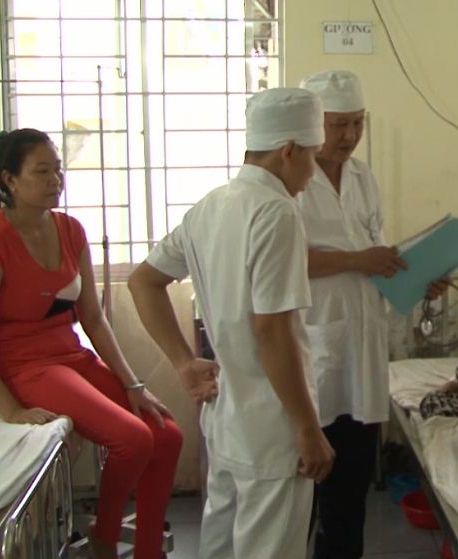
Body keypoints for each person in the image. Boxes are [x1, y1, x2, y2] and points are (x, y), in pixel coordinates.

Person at [0, 128, 182, 559]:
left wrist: (133, 383)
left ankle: (148, 548)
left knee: (167, 434)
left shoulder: (70, 230)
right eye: (42, 172)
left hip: (70, 355)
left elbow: (92, 317)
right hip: (24, 367)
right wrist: (11, 409)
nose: (55, 180)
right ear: (9, 180)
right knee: (134, 439)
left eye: (58, 170)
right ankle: (105, 536)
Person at [128, 88, 335, 559]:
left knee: (220, 544)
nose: (313, 172)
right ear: (289, 150)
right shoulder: (276, 212)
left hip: (226, 417)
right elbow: (271, 330)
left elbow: (144, 281)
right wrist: (306, 428)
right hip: (272, 424)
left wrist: (183, 361)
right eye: (313, 156)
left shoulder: (212, 205)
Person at [296, 68, 449, 559]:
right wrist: (356, 260)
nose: (349, 136)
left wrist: (416, 276)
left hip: (360, 353)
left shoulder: (363, 177)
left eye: (358, 123)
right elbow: (281, 261)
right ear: (313, 123)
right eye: (338, 124)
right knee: (301, 498)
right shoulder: (290, 180)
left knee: (350, 489)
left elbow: (374, 254)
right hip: (312, 351)